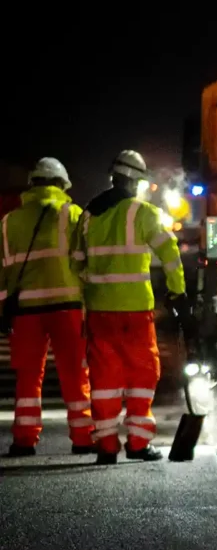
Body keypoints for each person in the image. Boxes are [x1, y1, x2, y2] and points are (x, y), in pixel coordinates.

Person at [81, 149, 187, 464]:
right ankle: (138, 444)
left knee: (103, 378)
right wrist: (177, 291)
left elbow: (77, 261)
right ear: (136, 182)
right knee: (143, 374)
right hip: (136, 310)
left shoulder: (90, 214)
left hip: (100, 309)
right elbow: (170, 254)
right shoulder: (143, 213)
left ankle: (106, 447)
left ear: (113, 177)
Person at [5, 158, 91, 457]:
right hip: (68, 307)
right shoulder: (73, 214)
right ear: (61, 184)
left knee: (28, 377)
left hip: (26, 311)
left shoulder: (8, 222)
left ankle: (24, 440)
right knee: (75, 374)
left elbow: (2, 272)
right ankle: (82, 438)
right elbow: (86, 263)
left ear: (32, 184)